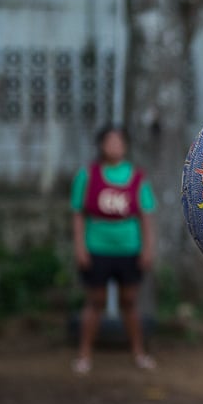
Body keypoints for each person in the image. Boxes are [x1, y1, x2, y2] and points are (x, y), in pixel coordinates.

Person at [70, 123, 157, 375]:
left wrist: (148, 247)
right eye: (110, 141)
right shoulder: (87, 175)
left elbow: (146, 215)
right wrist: (80, 247)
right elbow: (77, 214)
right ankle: (84, 354)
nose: (114, 146)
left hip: (129, 248)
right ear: (101, 145)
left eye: (119, 142)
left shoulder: (137, 177)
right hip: (97, 247)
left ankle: (139, 353)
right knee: (95, 301)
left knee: (129, 301)